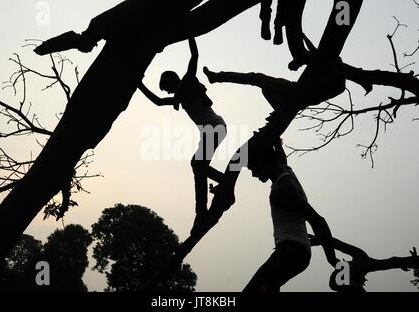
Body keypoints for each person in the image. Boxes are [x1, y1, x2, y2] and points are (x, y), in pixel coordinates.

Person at [138, 38, 227, 234]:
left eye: (168, 88)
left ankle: (203, 210)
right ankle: (215, 191)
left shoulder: (186, 82)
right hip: (211, 130)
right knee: (198, 166)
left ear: (171, 82)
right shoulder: (179, 94)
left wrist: (191, 34)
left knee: (198, 165)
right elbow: (159, 101)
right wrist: (138, 83)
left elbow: (194, 56)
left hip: (215, 127)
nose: (169, 92)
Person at [243, 134, 338, 292]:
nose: (253, 174)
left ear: (262, 161)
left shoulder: (283, 190)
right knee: (269, 286)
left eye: (253, 168)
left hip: (292, 252)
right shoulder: (285, 171)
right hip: (294, 252)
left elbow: (318, 221)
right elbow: (280, 159)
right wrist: (276, 140)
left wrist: (333, 260)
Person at [34, 0, 203, 55]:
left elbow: (134, 30)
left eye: (91, 46)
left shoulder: (103, 28)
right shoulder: (100, 27)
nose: (94, 47)